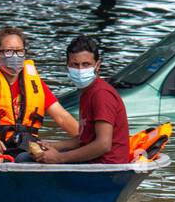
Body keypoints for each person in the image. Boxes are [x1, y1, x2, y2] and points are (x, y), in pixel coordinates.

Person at [0, 26, 79, 162]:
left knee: (56, 154)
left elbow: (62, 117)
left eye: (19, 51)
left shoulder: (34, 84)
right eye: (8, 51)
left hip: (25, 146)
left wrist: (87, 138)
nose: (15, 56)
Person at [34, 36, 131, 165]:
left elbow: (103, 144)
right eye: (75, 64)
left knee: (25, 160)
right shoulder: (87, 92)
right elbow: (84, 138)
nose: (80, 70)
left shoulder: (101, 94)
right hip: (94, 162)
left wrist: (59, 158)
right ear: (68, 66)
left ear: (97, 65)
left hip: (105, 166)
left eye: (86, 64)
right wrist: (54, 146)